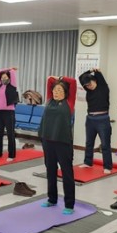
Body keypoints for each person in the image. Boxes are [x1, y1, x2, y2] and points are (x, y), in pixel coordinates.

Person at [38, 76, 77, 215]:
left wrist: (61, 78)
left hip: (63, 142)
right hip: (48, 141)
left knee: (67, 173)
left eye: (60, 90)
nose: (56, 92)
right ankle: (52, 199)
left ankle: (69, 204)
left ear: (66, 93)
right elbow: (49, 80)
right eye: (55, 90)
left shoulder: (69, 103)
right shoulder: (49, 100)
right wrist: (56, 81)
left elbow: (73, 82)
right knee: (50, 170)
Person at [78, 68, 112, 173]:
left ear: (95, 80)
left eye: (90, 83)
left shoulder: (103, 87)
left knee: (105, 144)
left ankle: (107, 167)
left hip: (103, 119)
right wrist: (89, 70)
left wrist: (96, 71)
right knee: (89, 142)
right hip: (90, 119)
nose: (89, 86)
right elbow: (80, 77)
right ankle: (88, 162)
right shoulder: (88, 90)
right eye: (87, 85)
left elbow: (99, 77)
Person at [0, 68, 19, 161]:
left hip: (9, 112)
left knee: (10, 134)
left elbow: (12, 73)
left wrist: (10, 69)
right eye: (2, 77)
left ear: (9, 78)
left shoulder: (12, 85)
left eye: (6, 77)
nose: (4, 78)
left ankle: (11, 155)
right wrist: (4, 71)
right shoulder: (0, 85)